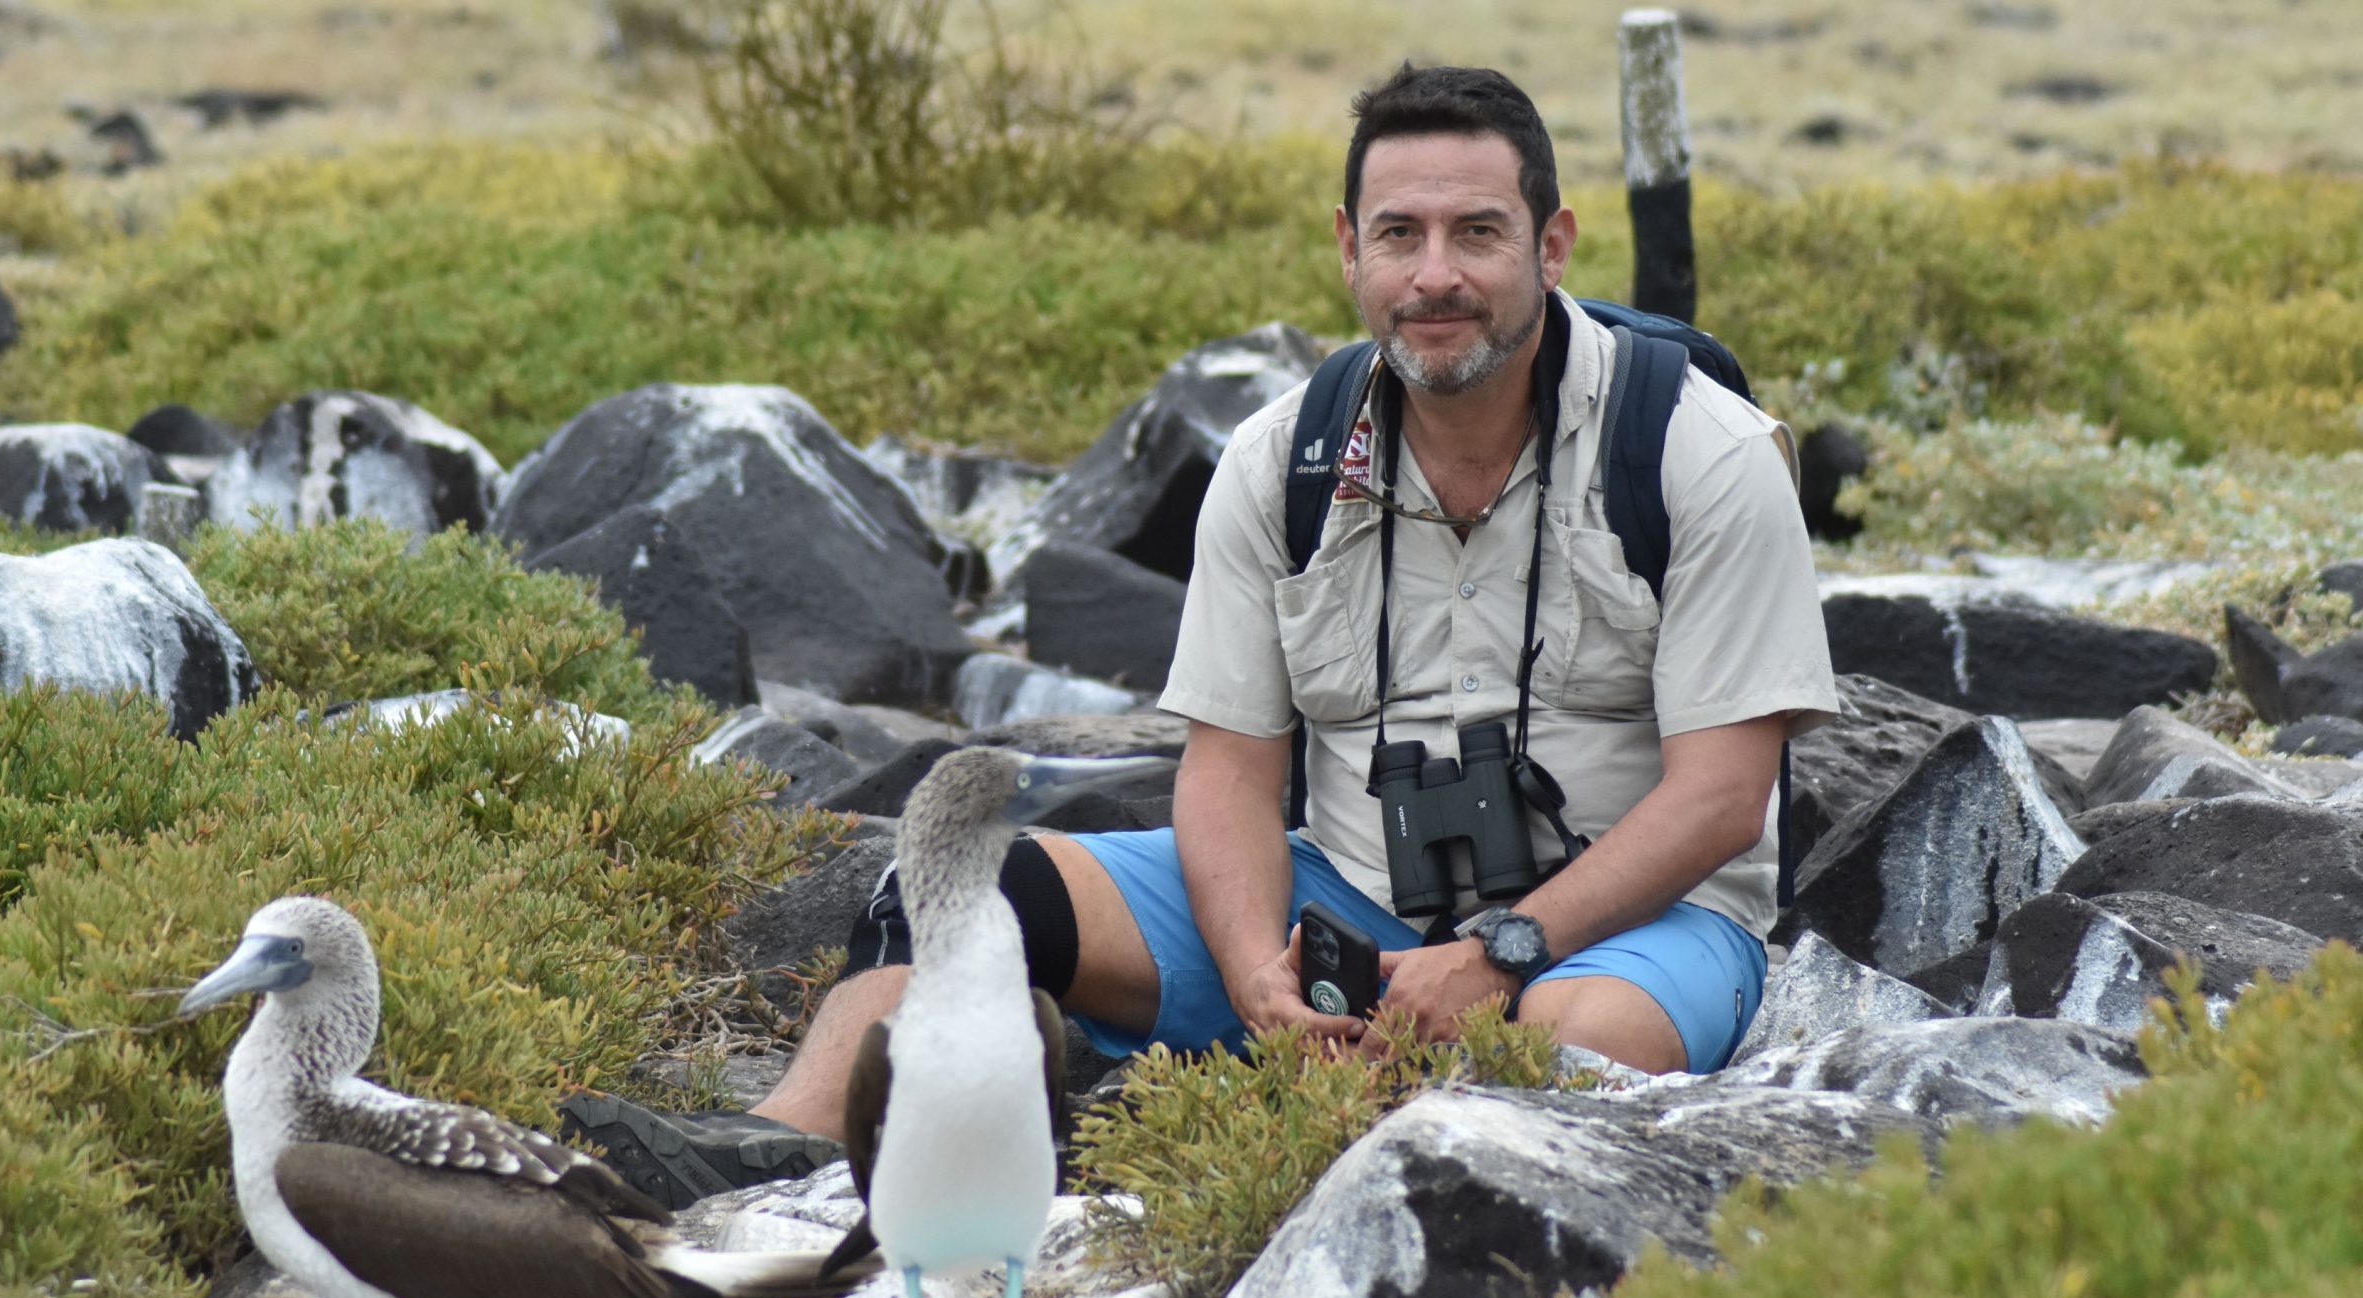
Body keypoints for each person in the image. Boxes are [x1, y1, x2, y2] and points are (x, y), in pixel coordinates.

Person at [560, 62, 1839, 1209]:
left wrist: (1499, 956)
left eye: (1477, 233)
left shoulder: (1698, 454)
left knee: (1558, 1041)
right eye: (1398, 233)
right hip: (1346, 897)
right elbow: (1227, 765)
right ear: (1348, 251)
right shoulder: (1281, 457)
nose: (1433, 275)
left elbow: (1724, 800)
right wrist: (1251, 976)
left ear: (1551, 246)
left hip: (1627, 929)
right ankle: (779, 1157)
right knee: (966, 885)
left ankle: (1288, 1142)